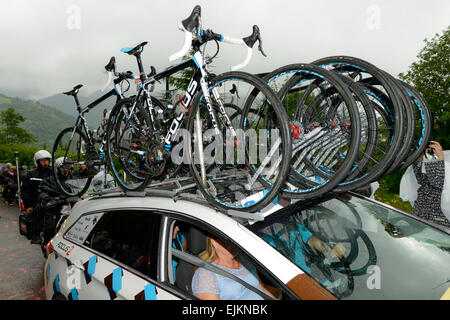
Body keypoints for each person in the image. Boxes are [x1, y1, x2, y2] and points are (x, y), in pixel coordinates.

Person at [191, 236, 277, 300]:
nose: (233, 243)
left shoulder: (244, 260)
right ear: (214, 242)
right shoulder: (205, 273)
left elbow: (262, 288)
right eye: (227, 240)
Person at [410, 141, 449, 228]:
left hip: (438, 228)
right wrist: (419, 158)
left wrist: (440, 159)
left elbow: (439, 182)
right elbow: (423, 181)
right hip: (416, 219)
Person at [37, 157, 74, 245]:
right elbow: (41, 191)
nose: (68, 170)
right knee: (50, 226)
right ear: (58, 168)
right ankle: (46, 243)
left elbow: (81, 189)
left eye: (70, 167)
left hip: (70, 207)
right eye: (65, 167)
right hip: (54, 207)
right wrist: (49, 198)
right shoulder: (50, 180)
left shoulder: (73, 180)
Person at [20, 150, 52, 242]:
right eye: (43, 160)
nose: (45, 162)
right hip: (36, 201)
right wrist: (28, 205)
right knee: (36, 218)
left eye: (47, 160)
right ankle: (35, 235)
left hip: (51, 200)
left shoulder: (53, 172)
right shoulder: (31, 174)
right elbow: (25, 190)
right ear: (37, 161)